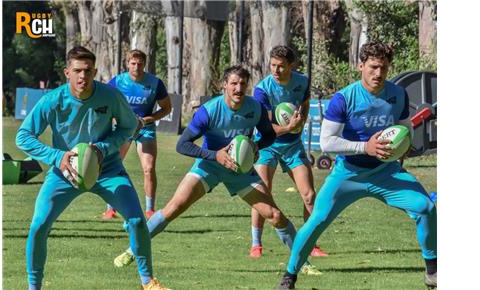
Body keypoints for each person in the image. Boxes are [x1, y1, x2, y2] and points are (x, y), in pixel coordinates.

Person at [276, 41, 437, 289]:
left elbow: (405, 128)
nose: (378, 73)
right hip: (348, 174)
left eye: (383, 67)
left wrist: (401, 148)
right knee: (317, 220)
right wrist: (365, 147)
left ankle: (433, 270)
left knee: (425, 207)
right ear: (360, 66)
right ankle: (290, 275)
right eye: (373, 67)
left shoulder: (398, 94)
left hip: (386, 172)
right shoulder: (344, 98)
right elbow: (326, 142)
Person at [113, 65, 298, 268]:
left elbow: (269, 135)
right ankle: (132, 250)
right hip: (208, 166)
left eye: (243, 84)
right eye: (234, 83)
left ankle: (301, 261)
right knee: (173, 208)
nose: (238, 88)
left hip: (240, 171)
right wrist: (214, 155)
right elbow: (182, 144)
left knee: (275, 215)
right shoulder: (209, 110)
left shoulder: (255, 108)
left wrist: (255, 146)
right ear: (224, 85)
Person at [15, 46, 169, 290]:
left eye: (88, 71)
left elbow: (129, 127)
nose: (82, 77)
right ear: (67, 72)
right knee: (39, 225)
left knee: (138, 221)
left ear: (95, 71)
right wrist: (57, 156)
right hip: (64, 173)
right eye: (77, 70)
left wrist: (102, 148)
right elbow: (23, 137)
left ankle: (148, 283)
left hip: (107, 169)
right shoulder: (52, 100)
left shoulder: (110, 96)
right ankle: (34, 286)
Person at [251, 45, 328, 263]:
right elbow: (266, 126)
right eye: (273, 65)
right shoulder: (262, 90)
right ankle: (256, 243)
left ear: (291, 66)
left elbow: (303, 106)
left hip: (293, 145)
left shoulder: (302, 82)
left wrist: (300, 122)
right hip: (267, 144)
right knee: (261, 192)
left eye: (281, 66)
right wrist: (289, 127)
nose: (275, 70)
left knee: (310, 195)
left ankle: (311, 244)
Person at [102, 49, 172, 220]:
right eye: (133, 63)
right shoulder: (117, 82)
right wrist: (114, 119)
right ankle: (110, 209)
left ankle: (150, 210)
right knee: (113, 167)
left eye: (140, 64)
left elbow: (167, 108)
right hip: (122, 130)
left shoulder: (155, 83)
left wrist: (148, 119)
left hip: (145, 128)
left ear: (144, 64)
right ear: (127, 64)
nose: (136, 67)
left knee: (148, 169)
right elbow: (104, 104)